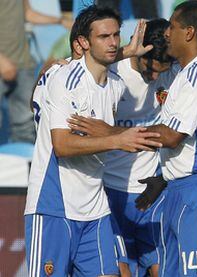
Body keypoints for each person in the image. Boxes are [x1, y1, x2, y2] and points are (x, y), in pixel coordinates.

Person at [24, 5, 161, 276]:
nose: (112, 43)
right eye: (103, 37)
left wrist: (129, 52)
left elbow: (102, 61)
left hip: (95, 209)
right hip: (53, 206)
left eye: (116, 36)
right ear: (83, 42)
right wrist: (116, 140)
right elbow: (62, 146)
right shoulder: (65, 78)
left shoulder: (115, 84)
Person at [68, 18, 178, 277]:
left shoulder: (174, 71)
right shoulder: (111, 72)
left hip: (153, 190)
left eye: (161, 71)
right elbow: (69, 69)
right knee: (119, 271)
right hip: (110, 191)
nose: (154, 77)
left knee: (162, 269)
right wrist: (126, 51)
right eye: (149, 68)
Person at [133, 2, 197, 276]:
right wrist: (165, 176)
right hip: (178, 190)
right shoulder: (184, 74)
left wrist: (109, 134)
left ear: (189, 32)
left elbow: (172, 136)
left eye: (173, 27)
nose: (167, 34)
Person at [0, 0, 72, 143]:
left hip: (23, 64)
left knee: (26, 127)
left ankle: (23, 163)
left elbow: (28, 13)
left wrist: (60, 20)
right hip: (4, 64)